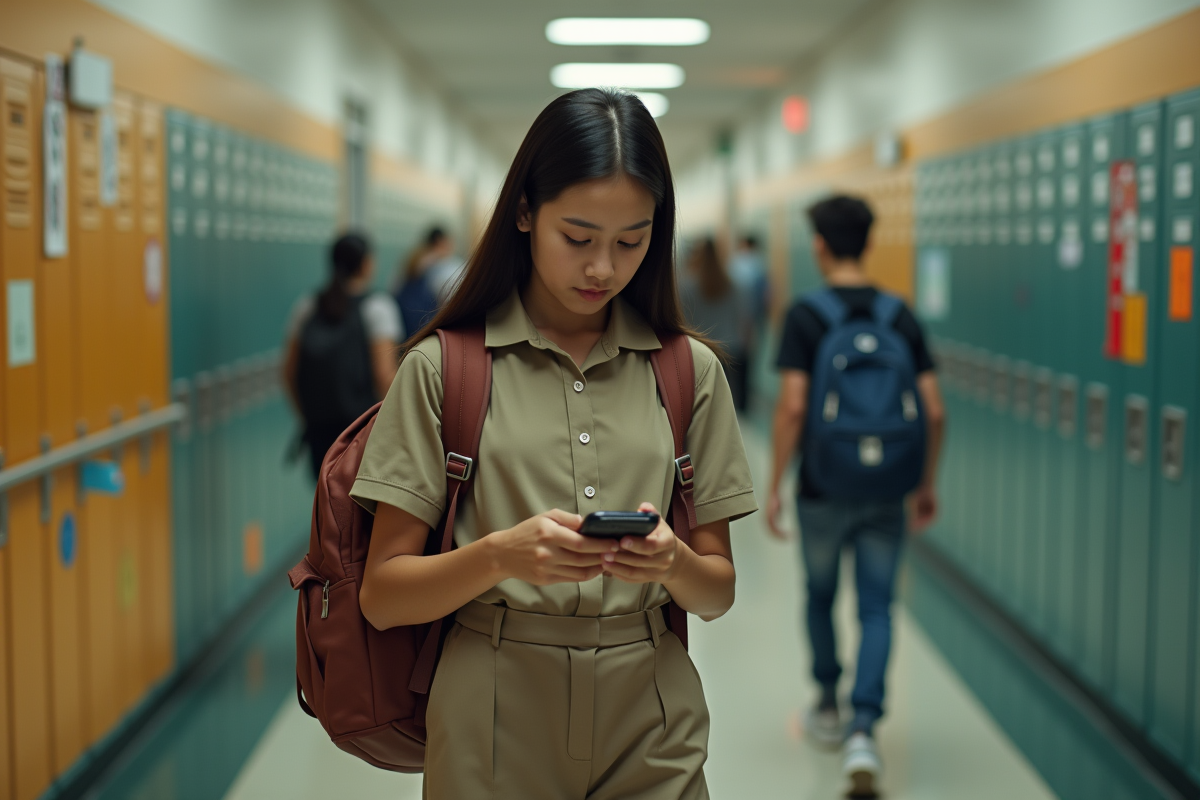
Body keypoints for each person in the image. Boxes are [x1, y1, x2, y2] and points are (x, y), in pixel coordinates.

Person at [350, 88, 756, 799]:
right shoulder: (444, 371)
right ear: (524, 212)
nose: (603, 268)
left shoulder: (689, 373)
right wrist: (501, 555)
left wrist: (672, 561)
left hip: (652, 715)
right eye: (578, 238)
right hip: (491, 709)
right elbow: (383, 596)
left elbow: (716, 592)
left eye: (631, 241)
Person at [766, 195, 945, 795]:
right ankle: (864, 728)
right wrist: (925, 483)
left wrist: (775, 483)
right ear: (868, 243)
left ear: (819, 244)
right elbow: (935, 412)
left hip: (823, 485)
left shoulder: (805, 316)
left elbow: (793, 408)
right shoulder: (900, 316)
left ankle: (827, 703)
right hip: (888, 485)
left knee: (820, 595)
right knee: (877, 607)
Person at [283, 232, 404, 478]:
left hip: (320, 433)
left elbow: (289, 372)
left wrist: (309, 417)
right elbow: (384, 376)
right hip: (362, 435)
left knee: (326, 495)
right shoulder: (378, 308)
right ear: (366, 264)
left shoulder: (308, 305)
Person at [679, 236, 753, 412]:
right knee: (727, 398)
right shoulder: (733, 285)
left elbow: (682, 321)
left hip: (699, 349)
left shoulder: (686, 286)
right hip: (729, 348)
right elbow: (742, 318)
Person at [394, 226, 452, 335]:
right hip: (419, 315)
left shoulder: (414, 256)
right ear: (440, 241)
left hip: (406, 313)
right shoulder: (435, 259)